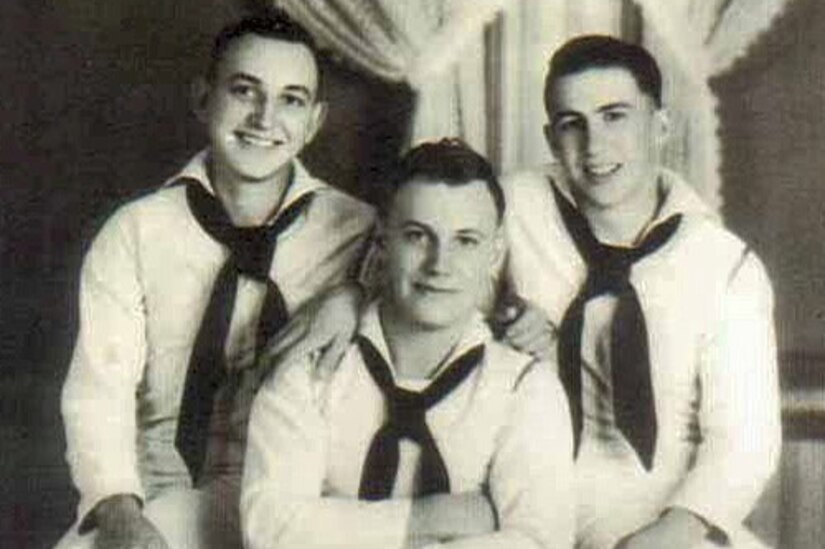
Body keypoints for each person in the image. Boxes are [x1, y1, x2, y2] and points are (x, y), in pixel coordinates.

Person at [58, 11, 374, 549]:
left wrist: (358, 294)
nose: (264, 118)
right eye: (245, 91)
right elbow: (98, 392)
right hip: (156, 491)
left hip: (303, 498)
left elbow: (442, 299)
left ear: (316, 121)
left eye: (291, 100)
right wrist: (119, 511)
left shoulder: (362, 232)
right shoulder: (137, 231)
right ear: (204, 98)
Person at [502, 35, 781, 548]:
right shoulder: (512, 208)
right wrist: (499, 329)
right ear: (550, 138)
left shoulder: (723, 266)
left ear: (660, 127)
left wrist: (666, 536)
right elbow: (412, 263)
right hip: (533, 508)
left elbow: (745, 443)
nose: (594, 146)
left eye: (615, 116)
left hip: (671, 514)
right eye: (572, 124)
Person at [241, 139, 575, 549]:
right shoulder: (312, 365)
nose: (440, 264)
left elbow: (542, 542)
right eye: (418, 236)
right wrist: (429, 518)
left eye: (466, 241)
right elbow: (270, 530)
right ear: (382, 242)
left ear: (495, 253)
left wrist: (334, 526)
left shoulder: (525, 386)